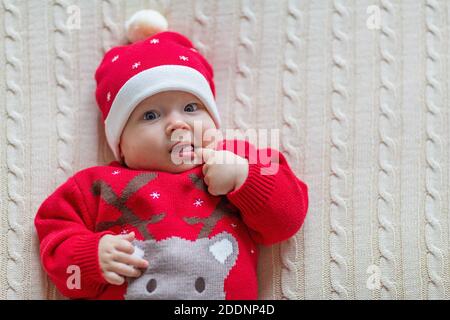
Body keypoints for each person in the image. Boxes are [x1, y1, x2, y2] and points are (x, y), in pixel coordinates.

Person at [34, 10, 309, 299]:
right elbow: (54, 235)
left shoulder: (237, 158)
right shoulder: (96, 184)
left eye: (191, 108)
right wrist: (90, 256)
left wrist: (245, 177)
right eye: (150, 115)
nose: (177, 124)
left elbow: (287, 219)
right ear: (121, 145)